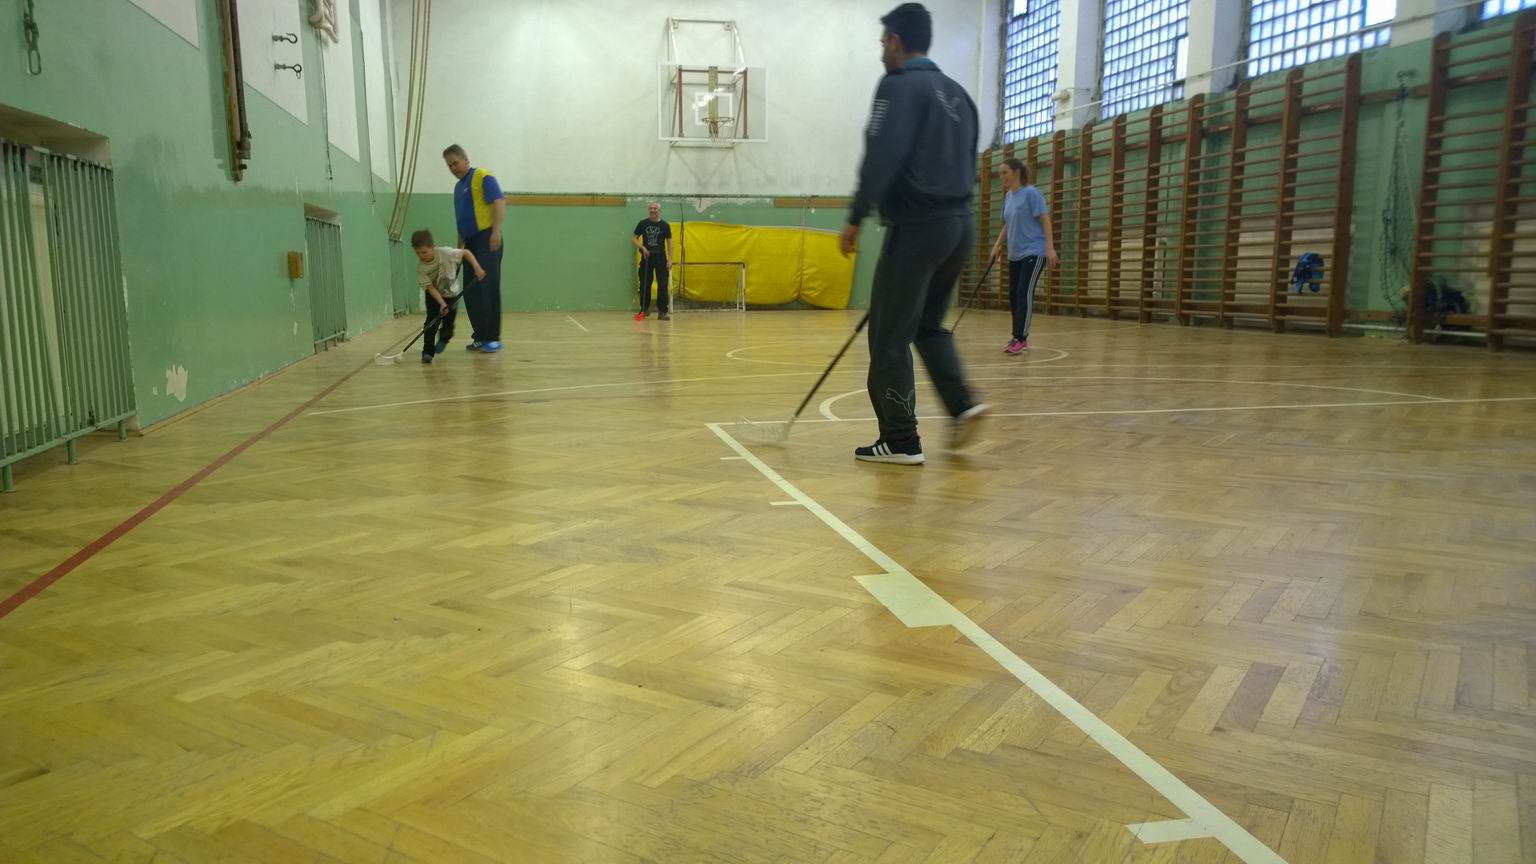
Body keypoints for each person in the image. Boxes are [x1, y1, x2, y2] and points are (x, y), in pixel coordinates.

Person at [840, 2, 988, 466]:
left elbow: (882, 155)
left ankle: (901, 438)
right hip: (960, 226)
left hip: (918, 227)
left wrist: (855, 217)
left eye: (883, 42)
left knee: (889, 335)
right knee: (926, 324)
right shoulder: (959, 95)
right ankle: (963, 404)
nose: (881, 51)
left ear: (896, 41)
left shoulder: (898, 85)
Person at [990, 158, 1058, 354]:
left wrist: (1050, 248)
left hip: (1034, 251)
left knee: (1023, 292)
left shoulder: (1031, 193)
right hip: (1015, 254)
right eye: (1000, 173)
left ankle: (1020, 337)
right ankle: (1017, 337)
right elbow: (1008, 224)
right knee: (1014, 295)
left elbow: (1045, 219)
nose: (1001, 176)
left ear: (1017, 172)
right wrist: (997, 245)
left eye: (1004, 172)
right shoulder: (1008, 197)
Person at [444, 144, 505, 352]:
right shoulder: (457, 188)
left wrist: (496, 231)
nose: (453, 168)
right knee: (472, 292)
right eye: (449, 165)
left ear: (466, 160)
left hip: (487, 238)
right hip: (469, 244)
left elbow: (498, 201)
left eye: (455, 163)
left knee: (487, 287)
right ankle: (480, 335)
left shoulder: (482, 175)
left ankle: (492, 337)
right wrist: (458, 249)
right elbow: (461, 220)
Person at [411, 229, 485, 364]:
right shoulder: (420, 268)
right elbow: (430, 288)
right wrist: (441, 303)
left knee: (448, 327)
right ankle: (427, 353)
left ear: (433, 247)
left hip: (451, 295)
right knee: (431, 323)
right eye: (418, 253)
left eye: (424, 252)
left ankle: (444, 339)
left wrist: (477, 267)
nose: (421, 256)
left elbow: (466, 253)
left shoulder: (446, 253)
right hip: (434, 296)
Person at [633, 201, 674, 320]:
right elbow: (634, 238)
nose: (652, 210)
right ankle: (644, 309)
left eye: (655, 208)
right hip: (647, 257)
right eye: (651, 208)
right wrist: (642, 247)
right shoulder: (642, 223)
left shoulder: (665, 225)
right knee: (645, 283)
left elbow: (670, 243)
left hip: (661, 257)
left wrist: (670, 260)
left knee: (662, 284)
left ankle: (662, 311)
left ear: (659, 210)